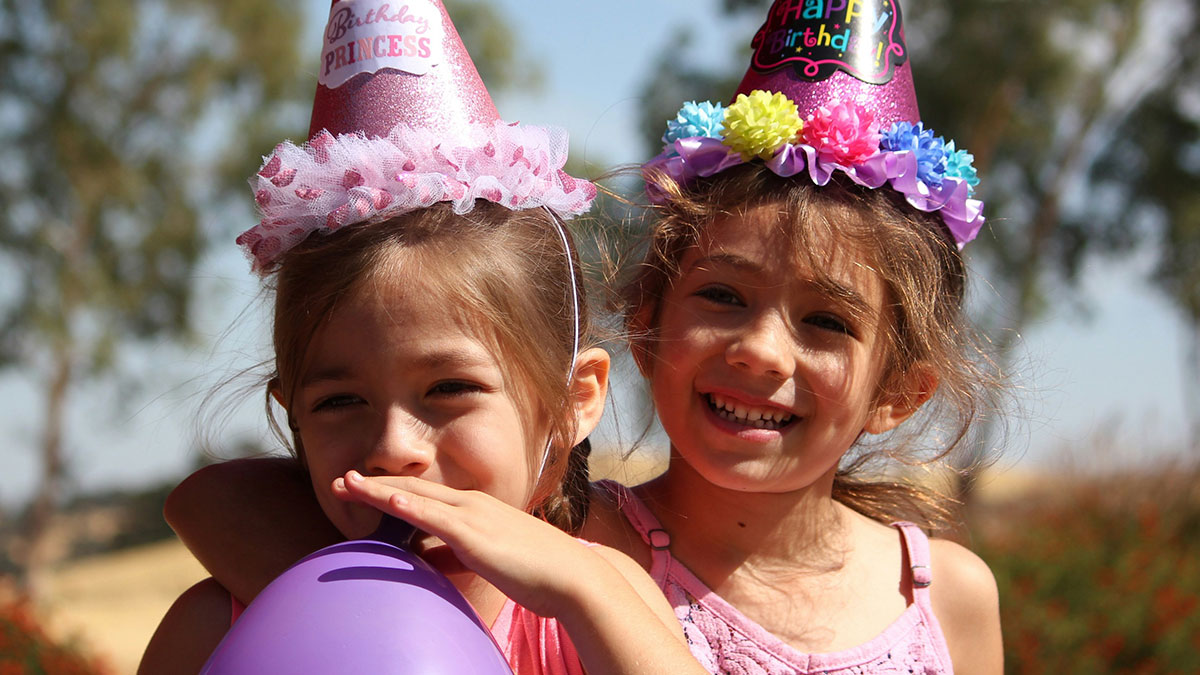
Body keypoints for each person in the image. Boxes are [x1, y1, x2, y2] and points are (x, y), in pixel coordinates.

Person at [166, 0, 1005, 672]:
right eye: (721, 296)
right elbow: (219, 499)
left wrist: (584, 586)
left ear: (900, 389)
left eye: (826, 320)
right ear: (647, 323)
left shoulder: (579, 571)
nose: (760, 350)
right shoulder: (582, 543)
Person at [140, 1, 706, 673]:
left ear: (574, 398)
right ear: (290, 410)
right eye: (338, 402)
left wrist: (589, 594)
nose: (393, 449)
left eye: (448, 388)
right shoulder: (216, 627)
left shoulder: (596, 617)